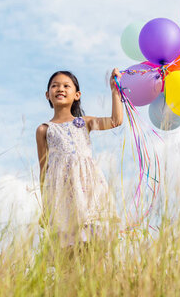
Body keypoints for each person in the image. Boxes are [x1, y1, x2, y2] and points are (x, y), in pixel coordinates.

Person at [36, 69, 123, 248]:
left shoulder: (85, 122)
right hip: (61, 195)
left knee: (95, 246)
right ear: (47, 94)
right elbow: (43, 170)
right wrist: (45, 206)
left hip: (89, 193)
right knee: (68, 252)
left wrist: (115, 91)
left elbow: (116, 120)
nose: (60, 89)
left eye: (66, 86)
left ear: (77, 95)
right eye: (55, 86)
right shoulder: (44, 129)